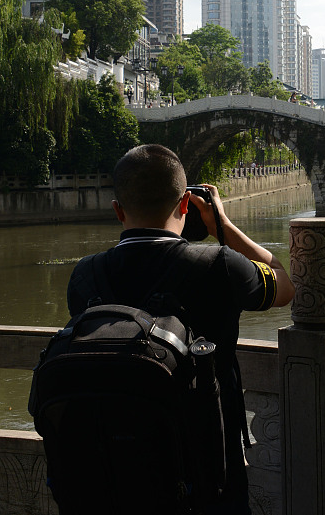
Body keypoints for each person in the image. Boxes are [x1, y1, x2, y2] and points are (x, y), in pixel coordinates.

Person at [65, 144, 295, 514]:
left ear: (117, 210)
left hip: (109, 468)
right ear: (186, 204)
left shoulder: (84, 276)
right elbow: (285, 284)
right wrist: (222, 225)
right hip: (206, 465)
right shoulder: (219, 266)